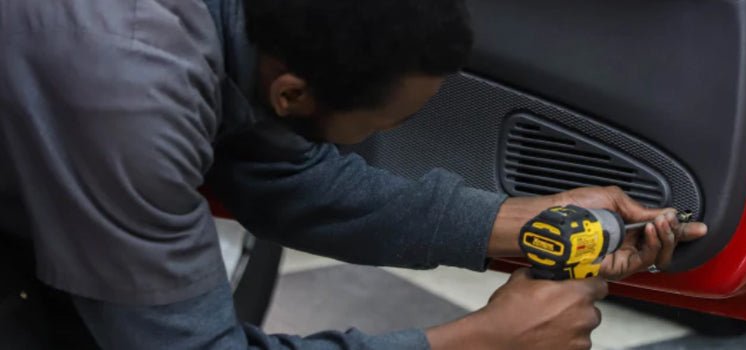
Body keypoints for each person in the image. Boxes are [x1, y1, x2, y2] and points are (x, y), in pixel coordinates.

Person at [0, 0, 707, 349]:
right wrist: (477, 340)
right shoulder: (127, 90)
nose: (387, 136)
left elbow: (274, 166)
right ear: (292, 93)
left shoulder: (254, 29)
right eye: (384, 125)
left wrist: (502, 221)